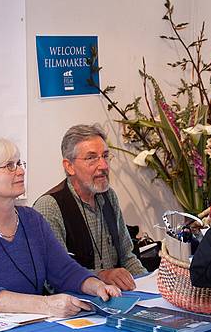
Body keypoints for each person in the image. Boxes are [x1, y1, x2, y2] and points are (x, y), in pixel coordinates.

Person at [0, 138, 121, 318]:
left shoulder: (31, 219)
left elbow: (64, 270)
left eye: (19, 164)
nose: (20, 171)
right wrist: (45, 304)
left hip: (22, 324)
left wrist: (96, 286)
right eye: (9, 166)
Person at [33, 124, 147, 291]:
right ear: (69, 166)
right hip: (76, 306)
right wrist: (101, 275)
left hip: (117, 299)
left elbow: (128, 257)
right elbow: (55, 276)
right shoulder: (50, 206)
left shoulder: (109, 197)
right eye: (92, 158)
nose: (104, 166)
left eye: (105, 156)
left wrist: (150, 286)